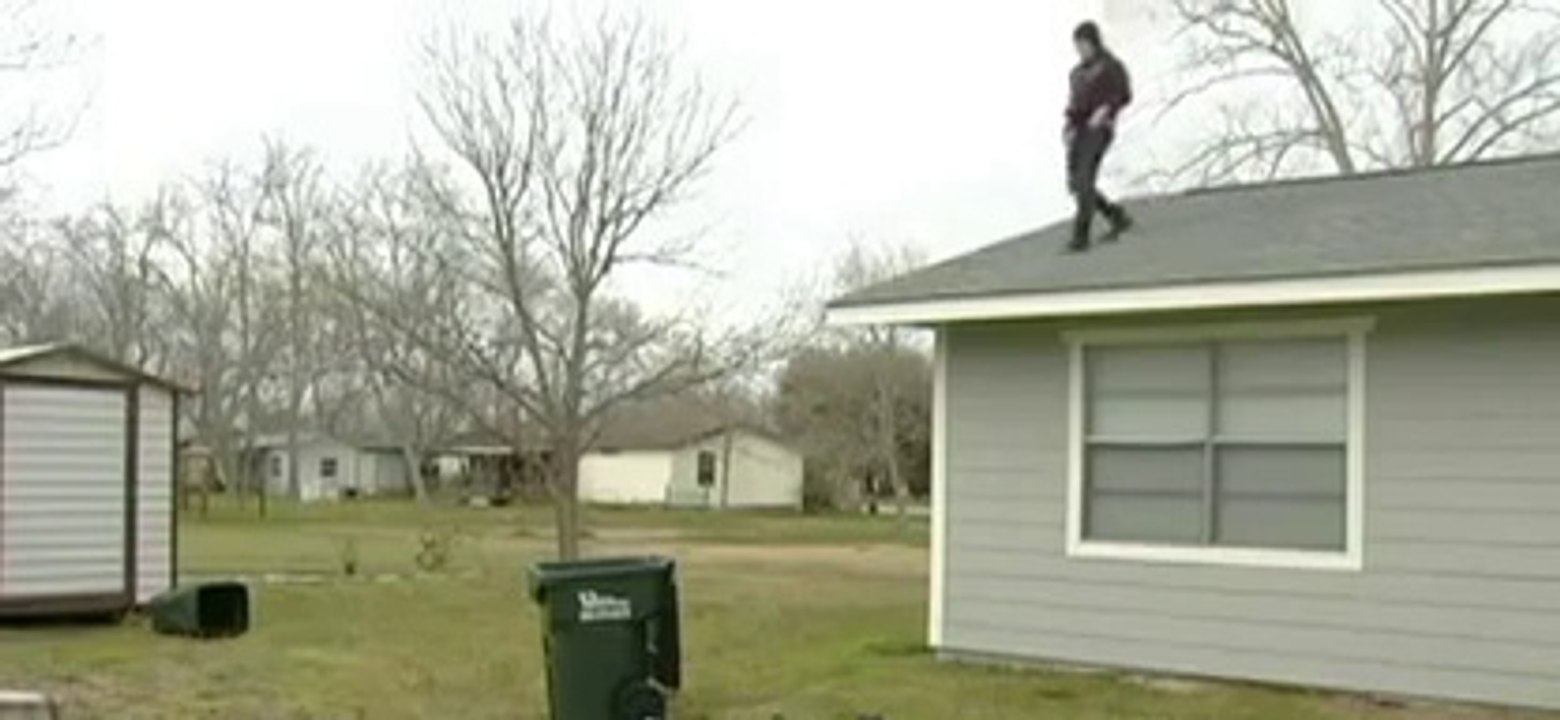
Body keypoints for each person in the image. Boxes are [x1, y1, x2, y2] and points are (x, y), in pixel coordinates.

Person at [1064, 21, 1133, 252]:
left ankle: (1080, 237)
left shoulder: (1110, 66)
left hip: (1100, 128)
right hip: (1080, 130)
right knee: (1076, 184)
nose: (1081, 50)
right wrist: (1069, 126)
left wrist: (1105, 109)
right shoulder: (1076, 74)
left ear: (1094, 43)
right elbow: (1074, 105)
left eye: (1084, 45)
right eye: (1078, 46)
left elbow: (1123, 94)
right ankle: (1115, 215)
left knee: (1085, 178)